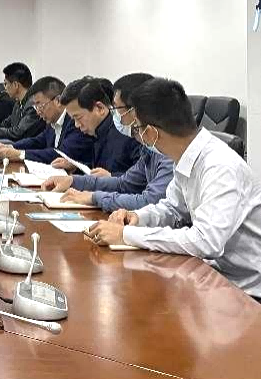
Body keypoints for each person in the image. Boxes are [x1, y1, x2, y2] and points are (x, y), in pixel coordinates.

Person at [86, 78, 261, 299]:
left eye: (137, 128)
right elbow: (172, 208)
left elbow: (206, 241)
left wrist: (126, 235)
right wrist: (137, 218)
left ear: (151, 132)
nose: (136, 135)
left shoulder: (219, 166)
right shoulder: (186, 157)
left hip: (247, 290)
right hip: (215, 274)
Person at [43, 73, 174, 212]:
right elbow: (124, 183)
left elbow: (150, 202)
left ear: (137, 111)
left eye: (117, 110)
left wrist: (94, 198)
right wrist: (73, 181)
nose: (115, 116)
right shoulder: (150, 149)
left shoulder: (167, 151)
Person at [0, 76, 95, 164]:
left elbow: (61, 154)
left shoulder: (75, 122)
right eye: (35, 106)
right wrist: (11, 147)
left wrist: (20, 154)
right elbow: (38, 140)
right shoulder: (52, 121)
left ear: (58, 101)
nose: (38, 112)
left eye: (40, 105)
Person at [53, 77, 140, 176]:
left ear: (100, 108)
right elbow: (99, 169)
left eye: (78, 118)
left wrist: (111, 177)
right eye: (73, 120)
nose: (77, 125)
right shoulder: (96, 132)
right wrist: (76, 168)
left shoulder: (127, 131)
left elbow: (143, 177)